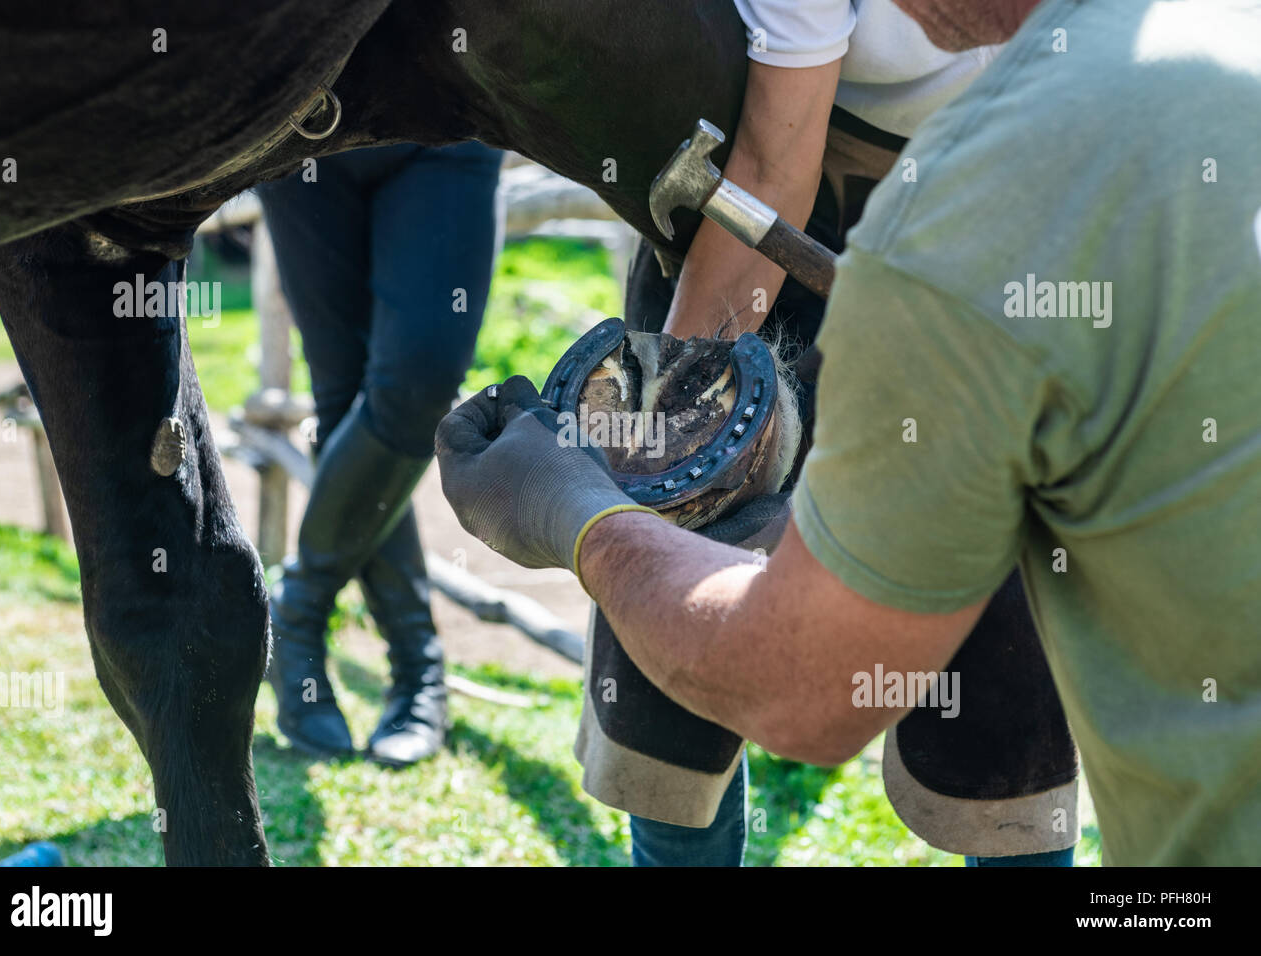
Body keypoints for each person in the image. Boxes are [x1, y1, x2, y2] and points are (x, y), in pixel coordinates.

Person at [435, 0, 1261, 866]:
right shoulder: (1196, 72)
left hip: (971, 233)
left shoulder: (1005, 236)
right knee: (677, 733)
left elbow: (803, 687)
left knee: (1010, 706)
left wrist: (574, 514)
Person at [618, 0, 1074, 868]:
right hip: (784, 209)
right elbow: (772, 163)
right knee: (678, 540)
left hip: (1021, 205)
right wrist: (678, 406)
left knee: (1017, 659)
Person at [258, 141, 503, 765]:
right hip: (301, 128)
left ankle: (296, 611)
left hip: (444, 119)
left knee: (420, 382)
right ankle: (418, 674)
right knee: (343, 401)